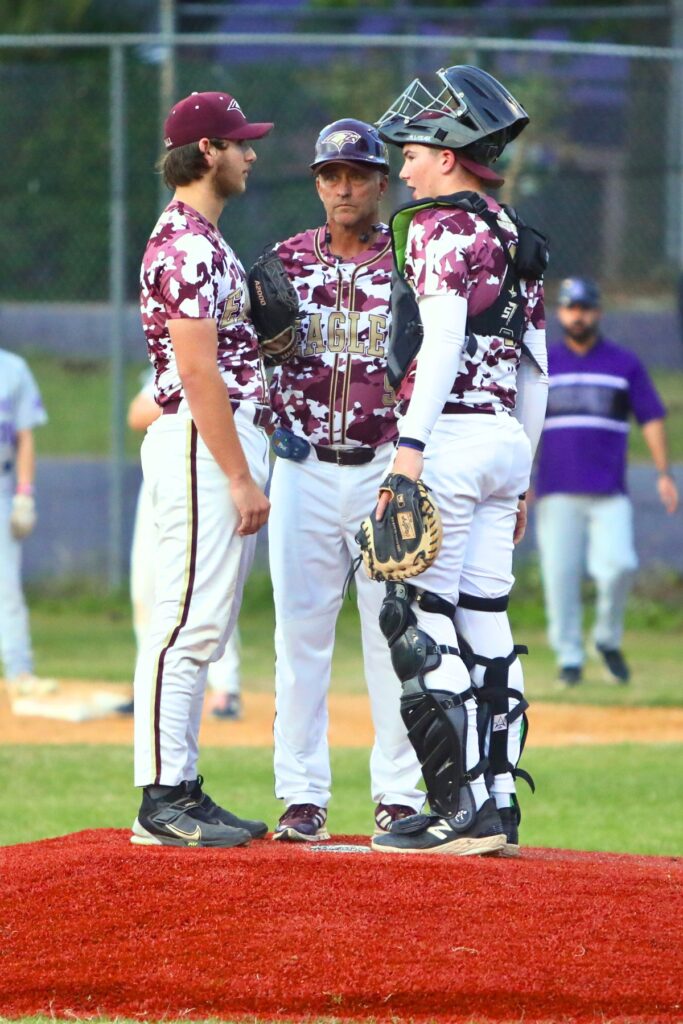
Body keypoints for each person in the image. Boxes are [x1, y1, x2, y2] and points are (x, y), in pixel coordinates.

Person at [368, 65, 549, 855]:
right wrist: (524, 478)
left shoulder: (441, 227)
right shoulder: (512, 232)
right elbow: (535, 366)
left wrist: (408, 451)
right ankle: (498, 803)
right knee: (484, 624)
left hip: (445, 440)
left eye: (410, 151)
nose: (400, 167)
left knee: (417, 621)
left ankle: (455, 811)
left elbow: (440, 340)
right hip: (504, 442)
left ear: (446, 154)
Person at [264, 119, 423, 842]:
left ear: (382, 182)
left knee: (393, 634)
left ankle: (397, 792)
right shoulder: (284, 263)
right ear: (317, 183)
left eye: (357, 173)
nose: (343, 186)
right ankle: (301, 794)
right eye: (330, 174)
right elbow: (246, 359)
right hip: (302, 470)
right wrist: (270, 424)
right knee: (300, 637)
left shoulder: (412, 262)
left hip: (383, 467)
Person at [132, 90, 273, 848]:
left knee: (204, 622)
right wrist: (238, 474)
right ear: (207, 152)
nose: (251, 153)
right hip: (199, 439)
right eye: (240, 142)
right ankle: (159, 800)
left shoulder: (205, 240)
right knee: (185, 621)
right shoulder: (186, 245)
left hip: (212, 438)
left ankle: (183, 784)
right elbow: (196, 371)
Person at [535, 276, 679, 686]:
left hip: (609, 489)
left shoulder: (623, 363)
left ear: (597, 312)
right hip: (557, 488)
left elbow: (650, 417)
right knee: (559, 577)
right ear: (560, 313)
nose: (578, 315)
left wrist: (664, 474)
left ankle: (606, 639)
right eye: (570, 308)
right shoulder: (546, 363)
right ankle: (569, 658)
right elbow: (525, 423)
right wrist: (519, 481)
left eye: (585, 308)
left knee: (619, 566)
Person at [123, 374, 244, 719]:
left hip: (208, 475)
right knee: (147, 588)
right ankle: (150, 683)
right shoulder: (169, 364)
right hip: (163, 478)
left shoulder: (230, 361)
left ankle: (226, 688)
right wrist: (188, 401)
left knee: (207, 584)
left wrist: (187, 401)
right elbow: (136, 414)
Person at [0, 348, 58, 702]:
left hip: (3, 488)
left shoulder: (13, 368)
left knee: (7, 590)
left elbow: (25, 438)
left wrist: (24, 495)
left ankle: (19, 671)